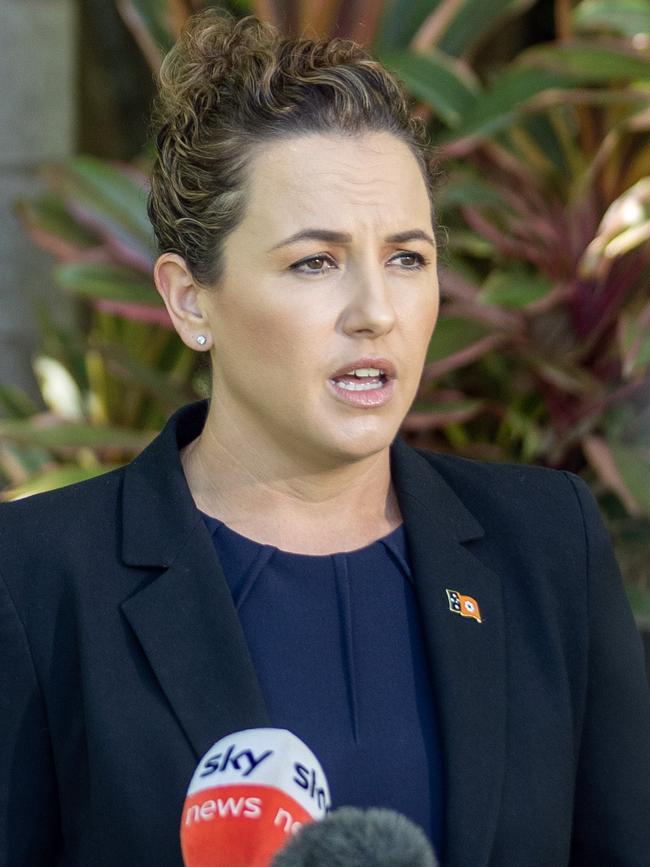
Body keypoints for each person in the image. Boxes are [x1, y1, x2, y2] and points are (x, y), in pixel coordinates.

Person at [1, 9, 649, 867]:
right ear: (191, 299)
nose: (376, 311)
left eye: (408, 258)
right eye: (316, 260)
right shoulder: (38, 578)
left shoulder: (548, 546)